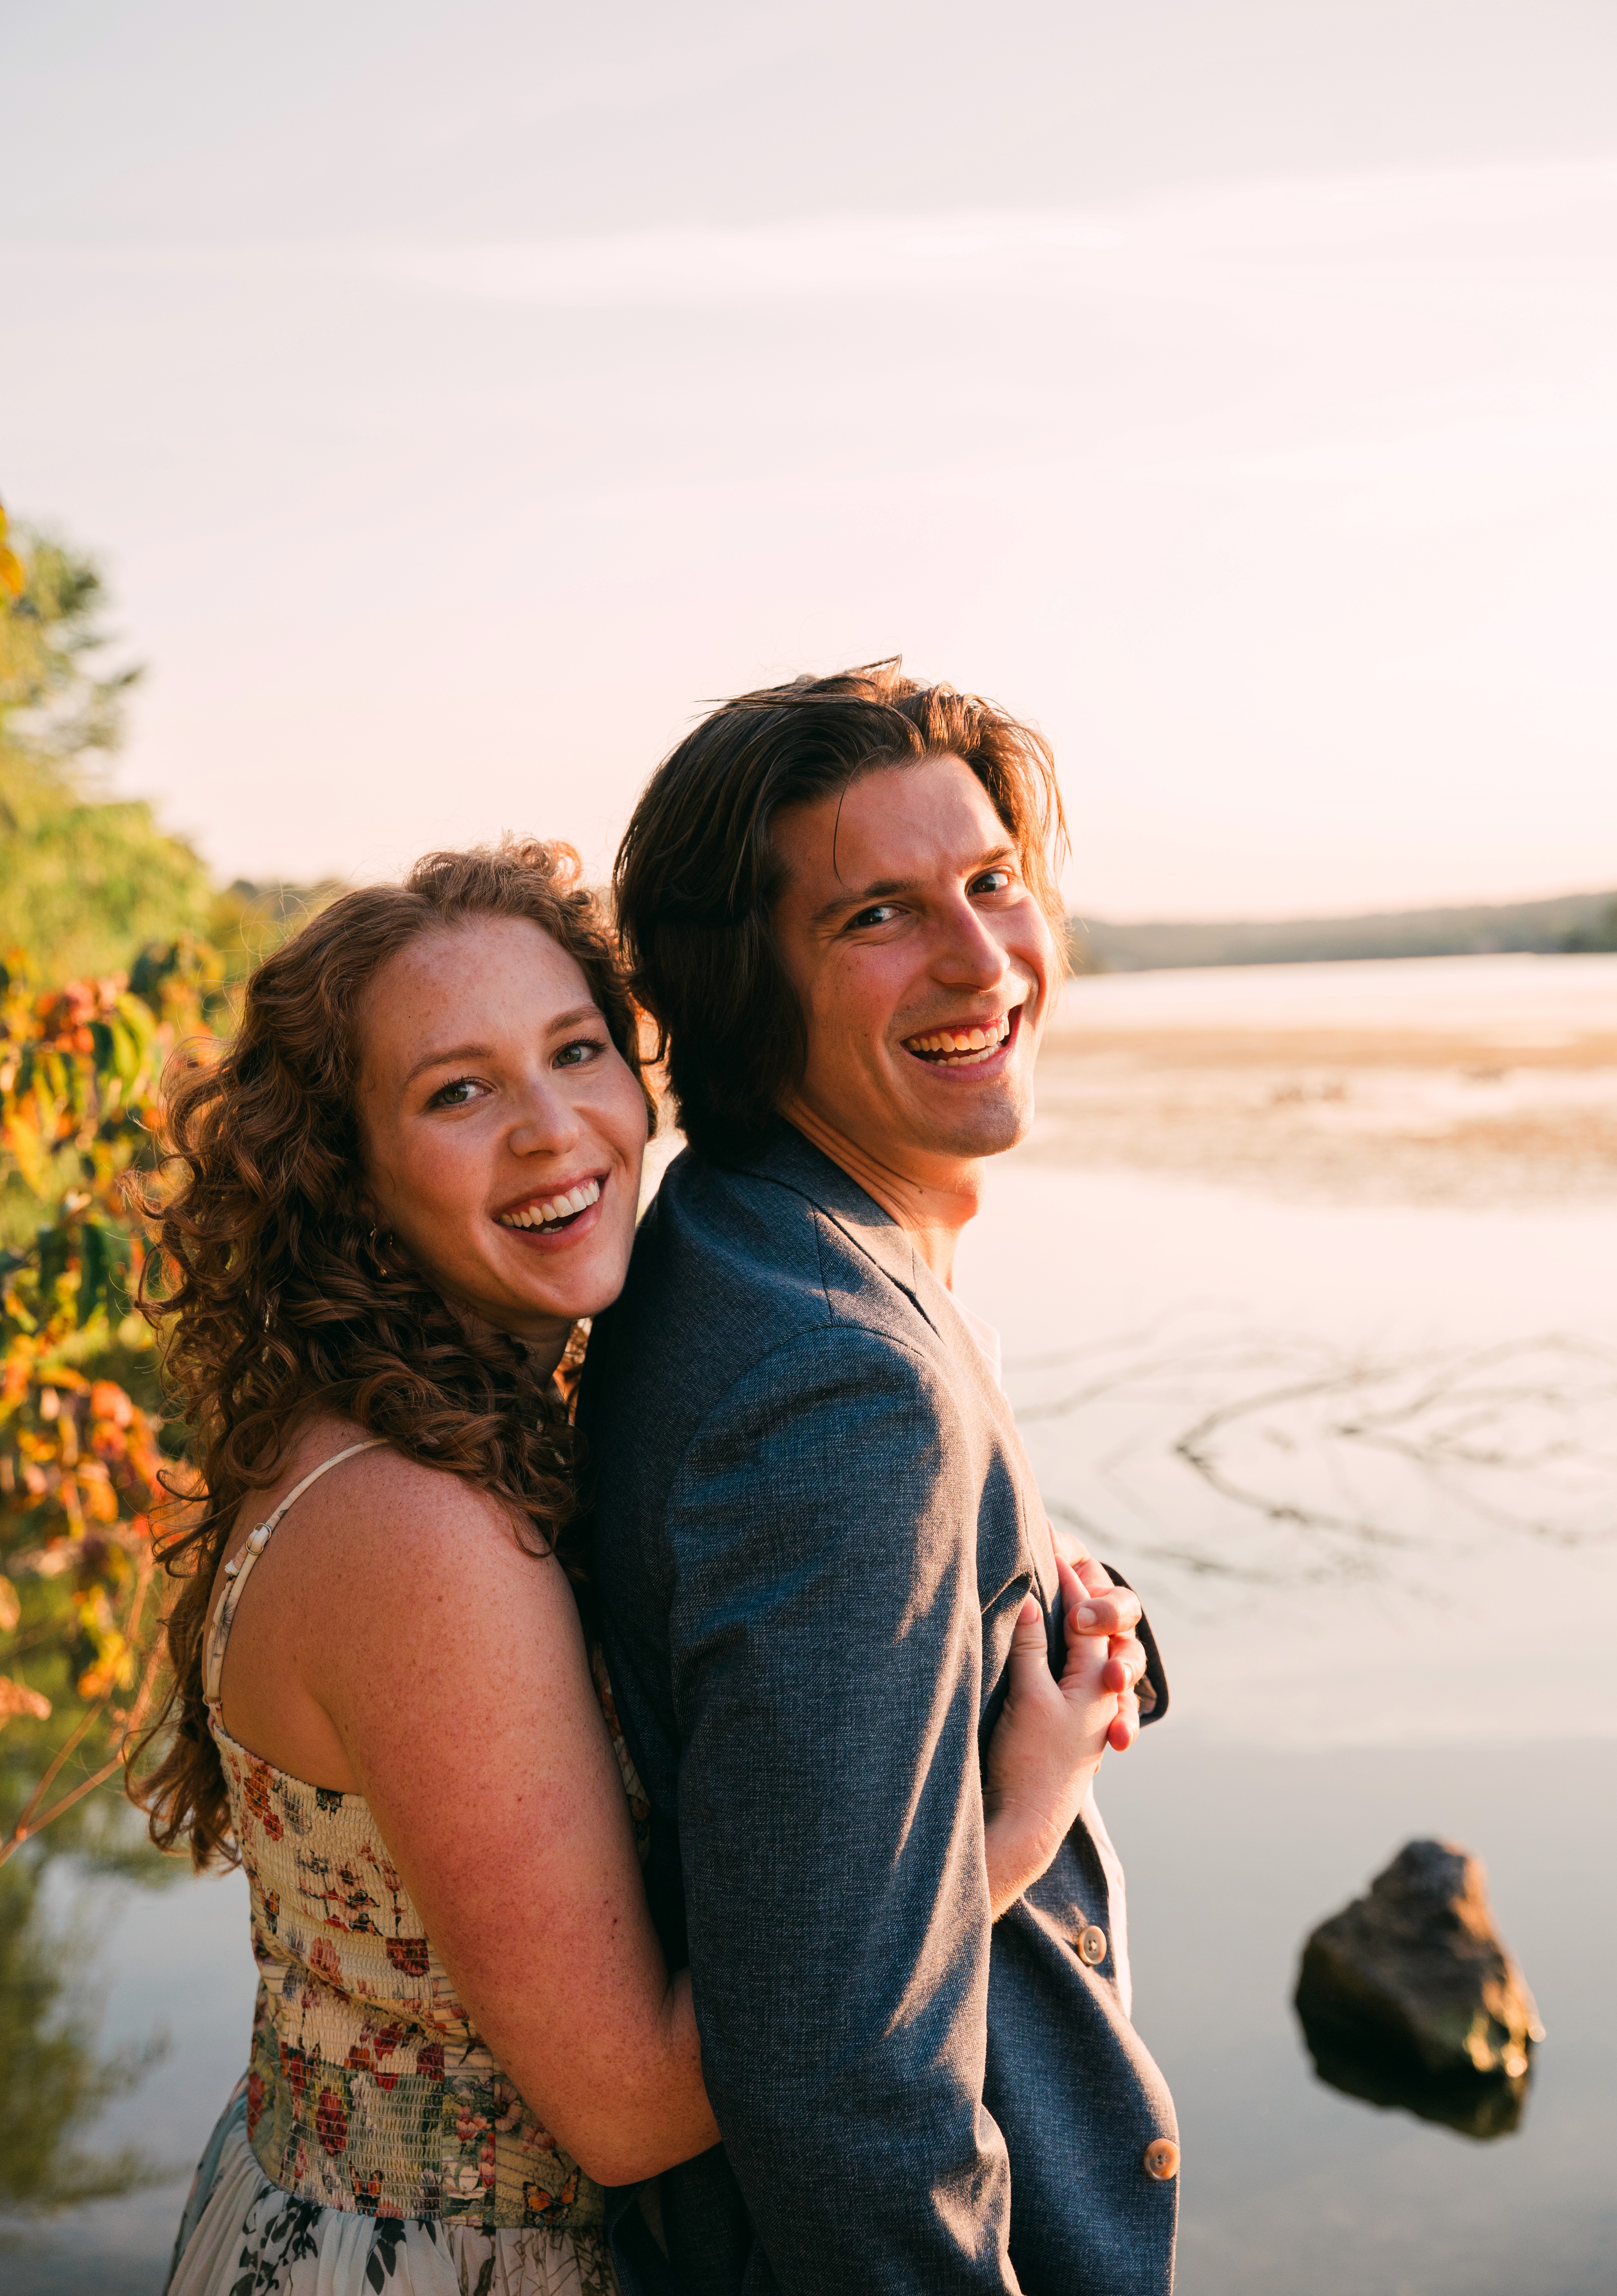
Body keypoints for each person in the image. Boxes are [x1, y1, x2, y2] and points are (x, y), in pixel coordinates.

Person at [139, 838, 1142, 2296]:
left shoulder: (448, 1425)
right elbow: (623, 2110)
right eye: (459, 1092)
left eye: (579, 1052)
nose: (555, 1131)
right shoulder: (419, 1531)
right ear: (346, 1172)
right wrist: (1014, 1822)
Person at [580, 663, 1176, 2296]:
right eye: (878, 918)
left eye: (994, 884)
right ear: (742, 988)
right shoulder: (840, 1383)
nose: (983, 960)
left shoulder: (744, 1247)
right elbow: (847, 2087)